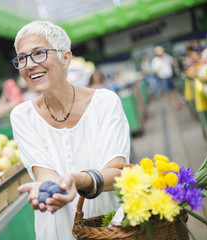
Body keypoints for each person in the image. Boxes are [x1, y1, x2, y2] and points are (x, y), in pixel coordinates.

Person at [9, 20, 130, 240]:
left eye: (38, 53)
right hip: (55, 233)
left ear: (66, 58)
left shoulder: (105, 102)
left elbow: (118, 171)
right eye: (22, 58)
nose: (29, 65)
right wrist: (54, 188)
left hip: (105, 229)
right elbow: (45, 173)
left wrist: (77, 179)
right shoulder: (22, 116)